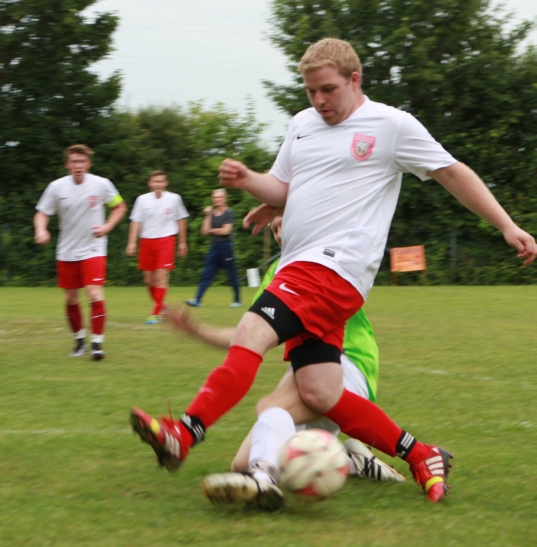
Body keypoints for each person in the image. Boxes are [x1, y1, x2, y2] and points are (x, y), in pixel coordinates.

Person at [130, 38, 536, 503]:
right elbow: (282, 186)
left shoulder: (391, 125)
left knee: (251, 332)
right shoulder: (302, 124)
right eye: (311, 92)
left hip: (334, 267)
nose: (319, 101)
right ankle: (422, 454)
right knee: (320, 391)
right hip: (302, 266)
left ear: (354, 79)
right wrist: (251, 184)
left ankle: (184, 433)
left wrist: (506, 225)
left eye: (328, 89)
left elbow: (452, 172)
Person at [168, 216, 404, 511]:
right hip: (306, 370)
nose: (280, 233)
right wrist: (197, 330)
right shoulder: (277, 272)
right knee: (240, 463)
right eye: (275, 228)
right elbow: (250, 336)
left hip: (345, 365)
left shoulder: (329, 259)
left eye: (284, 224)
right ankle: (347, 460)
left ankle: (263, 478)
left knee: (271, 410)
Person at [35, 144, 127, 361]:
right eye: (74, 162)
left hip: (94, 248)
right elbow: (42, 213)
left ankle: (97, 345)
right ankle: (79, 341)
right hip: (67, 250)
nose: (78, 165)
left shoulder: (102, 184)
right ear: (67, 164)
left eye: (82, 161)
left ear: (89, 164)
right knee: (71, 298)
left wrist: (107, 227)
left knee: (94, 294)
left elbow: (120, 207)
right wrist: (41, 229)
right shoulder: (56, 187)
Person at [126, 171, 189, 324]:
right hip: (147, 241)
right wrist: (132, 242)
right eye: (155, 181)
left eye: (161, 181)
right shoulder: (142, 200)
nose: (158, 184)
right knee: (149, 280)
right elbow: (136, 221)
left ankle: (156, 313)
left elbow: (181, 220)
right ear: (150, 183)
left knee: (161, 277)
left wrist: (182, 242)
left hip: (166, 240)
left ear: (166, 183)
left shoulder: (174, 198)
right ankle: (163, 306)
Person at [185, 189, 241, 308]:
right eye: (215, 197)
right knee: (206, 274)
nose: (217, 199)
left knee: (231, 274)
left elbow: (226, 231)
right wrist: (207, 215)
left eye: (220, 197)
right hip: (214, 247)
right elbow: (204, 231)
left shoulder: (229, 213)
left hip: (226, 247)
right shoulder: (211, 214)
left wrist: (211, 231)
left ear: (225, 199)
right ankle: (197, 300)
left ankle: (237, 301)